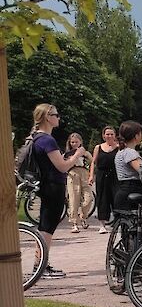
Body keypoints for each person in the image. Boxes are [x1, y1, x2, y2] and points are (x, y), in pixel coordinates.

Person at [28, 104, 87, 279]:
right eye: (56, 115)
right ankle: (40, 267)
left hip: (46, 185)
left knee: (46, 226)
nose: (59, 118)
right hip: (53, 186)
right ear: (48, 117)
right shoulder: (47, 140)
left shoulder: (36, 137)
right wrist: (77, 155)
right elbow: (62, 167)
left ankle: (40, 265)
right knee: (47, 228)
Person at [88, 125, 119, 233]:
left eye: (111, 134)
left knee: (116, 198)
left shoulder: (119, 147)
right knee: (102, 199)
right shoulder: (98, 147)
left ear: (115, 135)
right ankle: (102, 224)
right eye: (107, 134)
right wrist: (91, 176)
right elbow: (93, 162)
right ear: (103, 135)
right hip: (102, 175)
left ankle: (118, 221)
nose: (109, 136)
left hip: (115, 175)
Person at [63, 132, 94, 233]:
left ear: (80, 142)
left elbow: (93, 161)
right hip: (73, 174)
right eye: (72, 142)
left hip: (84, 173)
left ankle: (83, 216)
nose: (74, 144)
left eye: (76, 142)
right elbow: (63, 164)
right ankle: (74, 223)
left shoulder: (85, 152)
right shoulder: (67, 154)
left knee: (88, 198)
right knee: (73, 199)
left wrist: (91, 174)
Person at [113, 121, 142, 212]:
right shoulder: (130, 152)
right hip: (132, 189)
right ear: (136, 136)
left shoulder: (121, 151)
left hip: (123, 189)